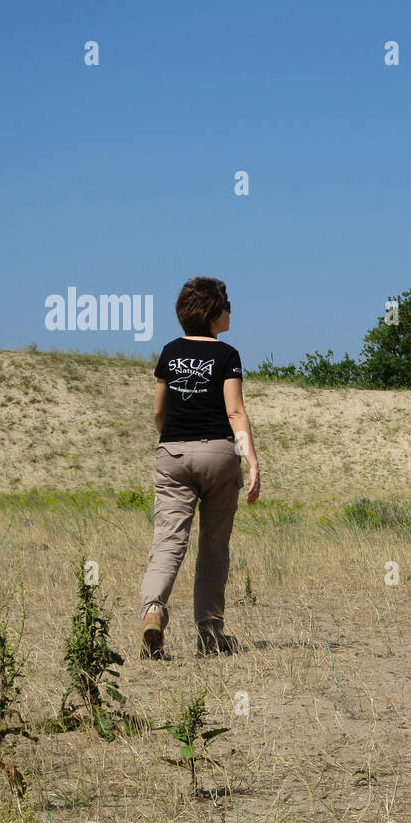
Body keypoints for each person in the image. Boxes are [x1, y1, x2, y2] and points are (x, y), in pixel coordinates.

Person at [139, 277, 261, 658]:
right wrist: (251, 459)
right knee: (213, 546)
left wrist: (174, 442)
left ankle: (153, 611)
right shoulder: (228, 356)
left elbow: (159, 411)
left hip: (173, 454)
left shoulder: (169, 353)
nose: (231, 311)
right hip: (219, 456)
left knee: (168, 542)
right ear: (212, 312)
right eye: (226, 304)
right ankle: (209, 633)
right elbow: (235, 411)